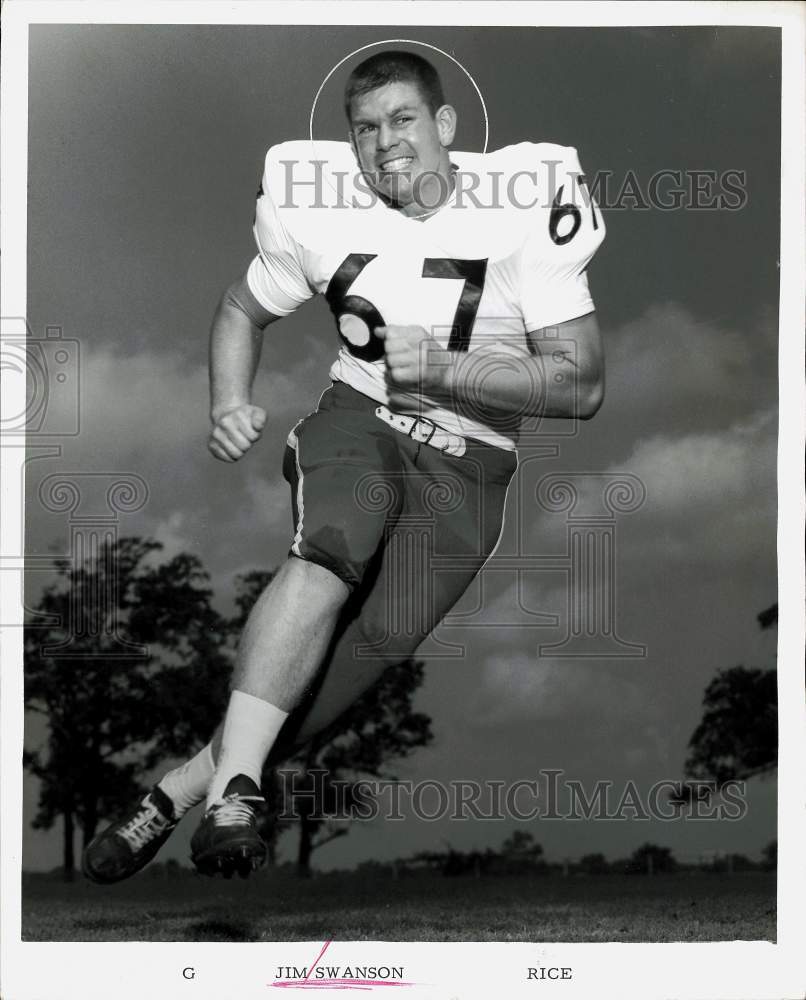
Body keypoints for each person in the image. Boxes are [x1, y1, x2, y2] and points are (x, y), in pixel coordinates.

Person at [82, 49, 605, 883]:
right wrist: (227, 399)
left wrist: (441, 368)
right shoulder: (318, 209)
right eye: (364, 128)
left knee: (357, 661)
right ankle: (236, 798)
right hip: (360, 418)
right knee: (337, 535)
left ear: (445, 125)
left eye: (403, 119)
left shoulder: (522, 205)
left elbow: (582, 386)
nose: (384, 143)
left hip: (472, 465)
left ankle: (186, 786)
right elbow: (238, 308)